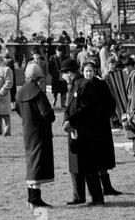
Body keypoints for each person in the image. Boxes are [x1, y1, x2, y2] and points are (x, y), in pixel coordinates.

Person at [61, 59, 105, 206]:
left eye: (64, 74)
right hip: (75, 130)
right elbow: (70, 108)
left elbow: (86, 108)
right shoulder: (74, 86)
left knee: (89, 165)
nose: (63, 77)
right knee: (75, 164)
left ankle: (97, 197)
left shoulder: (84, 85)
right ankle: (78, 195)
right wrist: (66, 121)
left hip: (85, 131)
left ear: (70, 73)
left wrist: (71, 120)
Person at [16, 64, 55, 209]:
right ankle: (35, 199)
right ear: (39, 77)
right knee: (38, 164)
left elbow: (18, 110)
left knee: (31, 162)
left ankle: (32, 197)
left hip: (28, 131)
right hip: (40, 133)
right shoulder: (38, 93)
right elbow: (47, 114)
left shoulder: (20, 92)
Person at [82, 62, 122, 196]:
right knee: (92, 158)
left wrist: (105, 115)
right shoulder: (80, 86)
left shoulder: (101, 84)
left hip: (102, 125)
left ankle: (107, 186)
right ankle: (95, 188)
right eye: (86, 71)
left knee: (103, 157)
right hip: (88, 127)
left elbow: (111, 102)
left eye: (90, 71)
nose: (88, 73)